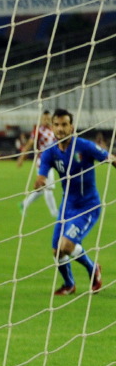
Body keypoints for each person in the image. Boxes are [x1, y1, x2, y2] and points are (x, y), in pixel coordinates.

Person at [35, 108, 116, 296]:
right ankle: (69, 284)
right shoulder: (50, 153)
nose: (60, 129)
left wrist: (111, 160)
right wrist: (40, 181)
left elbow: (109, 157)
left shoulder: (84, 146)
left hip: (88, 206)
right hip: (67, 205)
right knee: (57, 251)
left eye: (64, 124)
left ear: (71, 127)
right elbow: (42, 175)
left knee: (67, 246)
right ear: (52, 127)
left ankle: (93, 268)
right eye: (57, 125)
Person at [17, 110, 58, 218]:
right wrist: (22, 157)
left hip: (51, 161)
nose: (46, 120)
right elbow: (30, 144)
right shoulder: (38, 130)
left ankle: (24, 204)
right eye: (44, 119)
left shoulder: (53, 130)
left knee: (41, 189)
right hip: (42, 162)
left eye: (48, 119)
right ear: (41, 119)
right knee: (49, 187)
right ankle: (55, 213)